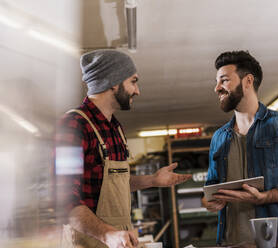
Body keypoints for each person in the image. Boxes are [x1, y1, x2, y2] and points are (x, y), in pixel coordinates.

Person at [56, 49, 191, 248]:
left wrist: (152, 180)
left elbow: (113, 183)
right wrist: (107, 234)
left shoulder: (115, 128)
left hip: (117, 240)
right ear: (113, 82)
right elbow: (66, 201)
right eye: (133, 81)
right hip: (89, 242)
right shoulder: (74, 125)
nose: (137, 91)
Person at [202, 50, 278, 245]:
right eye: (217, 81)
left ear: (248, 81)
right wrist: (210, 201)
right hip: (233, 242)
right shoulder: (219, 138)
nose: (217, 88)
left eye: (224, 80)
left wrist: (264, 197)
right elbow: (211, 188)